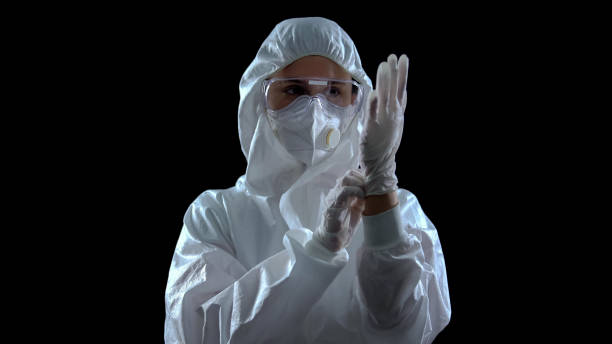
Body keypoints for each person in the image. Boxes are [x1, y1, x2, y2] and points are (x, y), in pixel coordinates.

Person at [164, 17, 451, 343]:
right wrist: (316, 253)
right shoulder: (217, 213)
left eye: (334, 91)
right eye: (294, 90)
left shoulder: (400, 211)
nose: (316, 109)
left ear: (356, 103)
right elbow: (199, 333)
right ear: (260, 99)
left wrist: (382, 192)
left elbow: (405, 330)